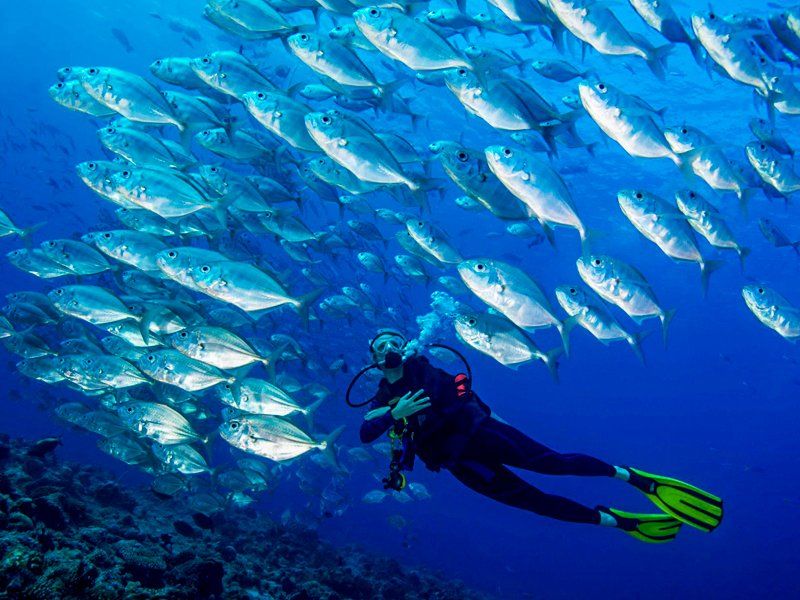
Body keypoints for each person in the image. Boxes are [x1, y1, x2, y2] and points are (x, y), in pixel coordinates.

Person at [358, 330, 723, 543]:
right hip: (460, 463)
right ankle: (618, 521)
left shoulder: (426, 369)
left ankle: (633, 477)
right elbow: (365, 432)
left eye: (395, 342)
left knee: (555, 464)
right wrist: (394, 412)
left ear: (406, 347)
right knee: (534, 502)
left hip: (483, 434)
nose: (389, 349)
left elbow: (457, 396)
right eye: (381, 347)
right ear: (373, 359)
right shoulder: (381, 399)